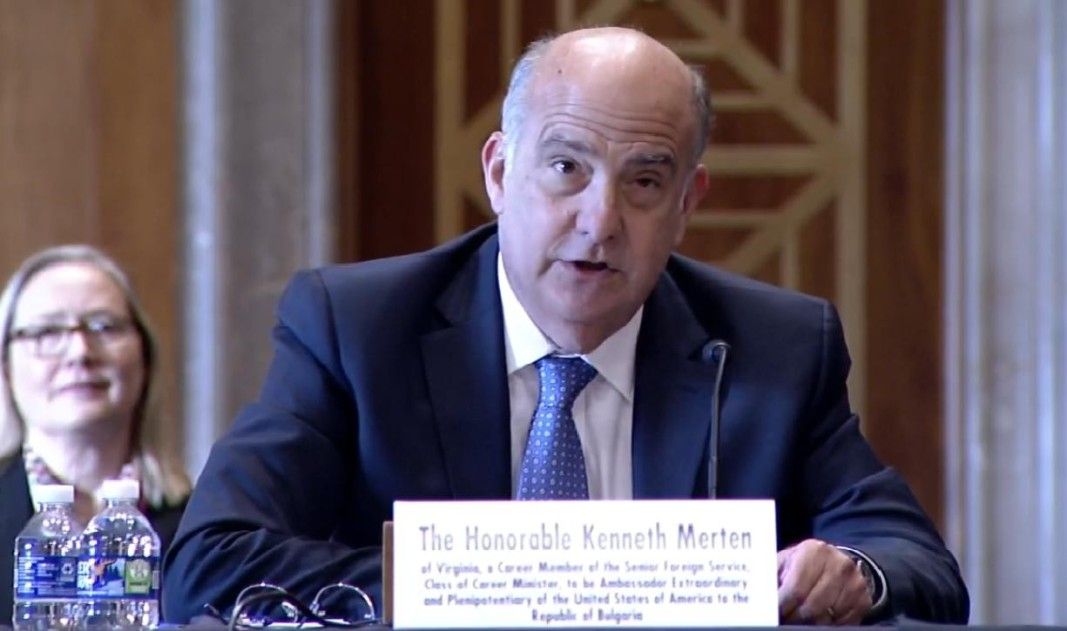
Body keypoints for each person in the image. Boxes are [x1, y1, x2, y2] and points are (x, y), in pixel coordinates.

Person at [163, 27, 968, 625]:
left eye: (644, 181)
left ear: (686, 204)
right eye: (565, 167)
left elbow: (917, 565)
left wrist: (852, 571)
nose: (599, 219)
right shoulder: (357, 328)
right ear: (499, 172)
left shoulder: (773, 347)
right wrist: (486, 586)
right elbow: (209, 560)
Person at [0, 245, 191, 624]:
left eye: (104, 327)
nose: (80, 352)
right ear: (5, 365)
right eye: (47, 331)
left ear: (145, 356)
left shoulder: (203, 525)